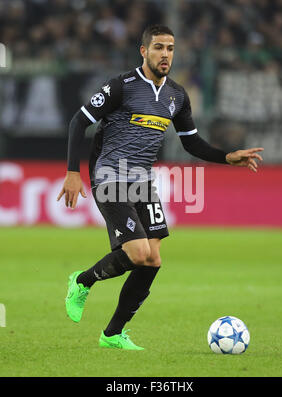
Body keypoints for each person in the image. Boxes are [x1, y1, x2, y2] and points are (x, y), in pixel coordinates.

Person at [57, 24, 263, 350]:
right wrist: (72, 172)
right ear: (144, 51)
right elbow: (79, 121)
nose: (165, 54)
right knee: (138, 253)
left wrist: (227, 156)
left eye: (170, 48)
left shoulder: (176, 96)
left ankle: (112, 334)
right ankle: (82, 282)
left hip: (142, 181)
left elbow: (191, 143)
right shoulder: (121, 87)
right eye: (158, 48)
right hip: (111, 177)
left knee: (152, 259)